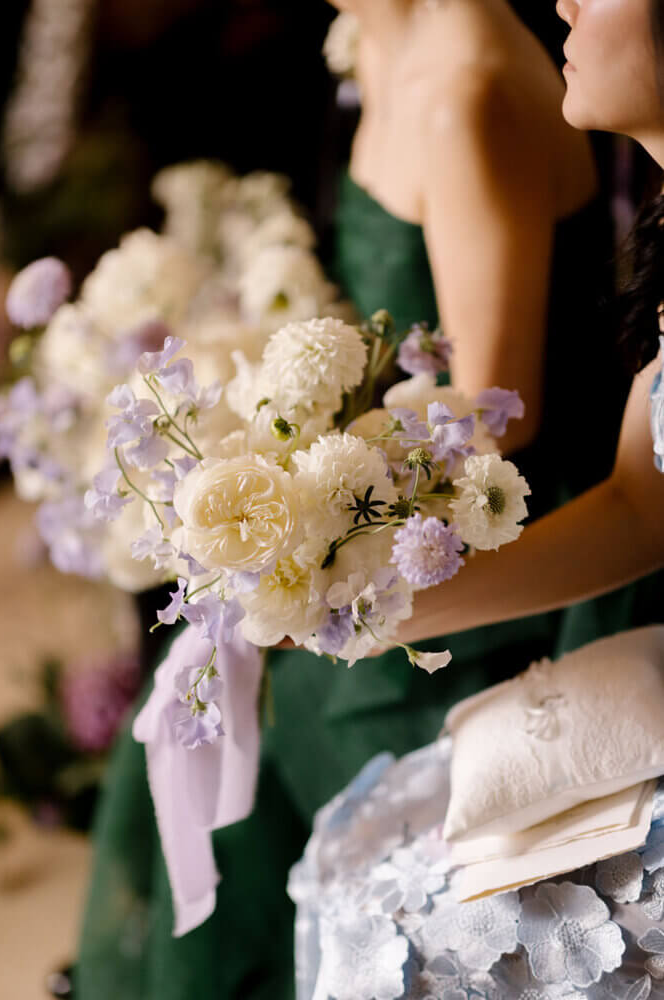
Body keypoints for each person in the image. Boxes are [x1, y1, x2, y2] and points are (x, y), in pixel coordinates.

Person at [76, 1, 622, 998]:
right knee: (203, 689)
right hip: (400, 483)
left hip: (498, 538)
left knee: (264, 696)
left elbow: (503, 407)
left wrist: (288, 477)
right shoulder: (371, 31)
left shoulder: (468, 88)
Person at [289, 0, 664, 993]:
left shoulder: (476, 91)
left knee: (409, 927)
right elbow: (640, 506)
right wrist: (381, 604)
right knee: (349, 855)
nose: (564, 1)